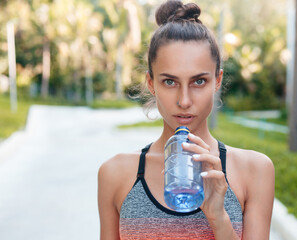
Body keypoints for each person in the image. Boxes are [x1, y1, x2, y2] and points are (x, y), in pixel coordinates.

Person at [98, 0, 275, 239]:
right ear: (151, 83)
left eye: (198, 81)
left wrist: (219, 218)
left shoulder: (254, 170)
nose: (184, 100)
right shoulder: (115, 173)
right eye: (169, 82)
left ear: (217, 81)